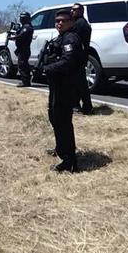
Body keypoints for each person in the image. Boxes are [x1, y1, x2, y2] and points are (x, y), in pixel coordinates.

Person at [41, 9, 84, 172]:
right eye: (57, 21)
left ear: (71, 22)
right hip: (57, 85)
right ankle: (62, 150)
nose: (59, 23)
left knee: (62, 121)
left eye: (63, 21)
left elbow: (69, 61)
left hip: (66, 86)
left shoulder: (70, 38)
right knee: (55, 118)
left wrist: (48, 68)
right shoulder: (61, 37)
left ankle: (69, 161)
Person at [70, 3, 93, 114]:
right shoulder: (80, 23)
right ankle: (86, 106)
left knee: (77, 83)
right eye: (72, 9)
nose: (72, 11)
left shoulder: (79, 24)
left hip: (78, 57)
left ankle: (78, 106)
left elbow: (73, 39)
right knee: (80, 83)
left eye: (74, 9)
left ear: (81, 11)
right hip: (80, 56)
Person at [11, 11, 34, 87]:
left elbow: (22, 35)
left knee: (22, 65)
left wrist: (13, 37)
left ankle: (25, 82)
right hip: (21, 49)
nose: (21, 19)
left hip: (24, 49)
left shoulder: (27, 27)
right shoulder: (23, 27)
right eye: (21, 18)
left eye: (22, 18)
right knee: (22, 64)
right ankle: (25, 81)